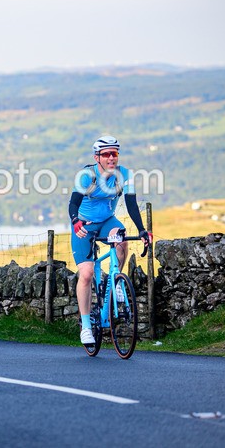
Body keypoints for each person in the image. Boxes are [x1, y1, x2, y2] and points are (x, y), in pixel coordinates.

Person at [69, 135, 151, 345]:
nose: (111, 158)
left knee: (122, 239)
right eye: (106, 154)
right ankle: (86, 326)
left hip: (107, 220)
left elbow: (131, 204)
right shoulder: (86, 175)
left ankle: (115, 280)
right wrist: (76, 221)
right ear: (97, 157)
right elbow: (73, 203)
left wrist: (142, 230)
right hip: (85, 225)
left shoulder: (124, 174)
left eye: (114, 153)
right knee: (86, 275)